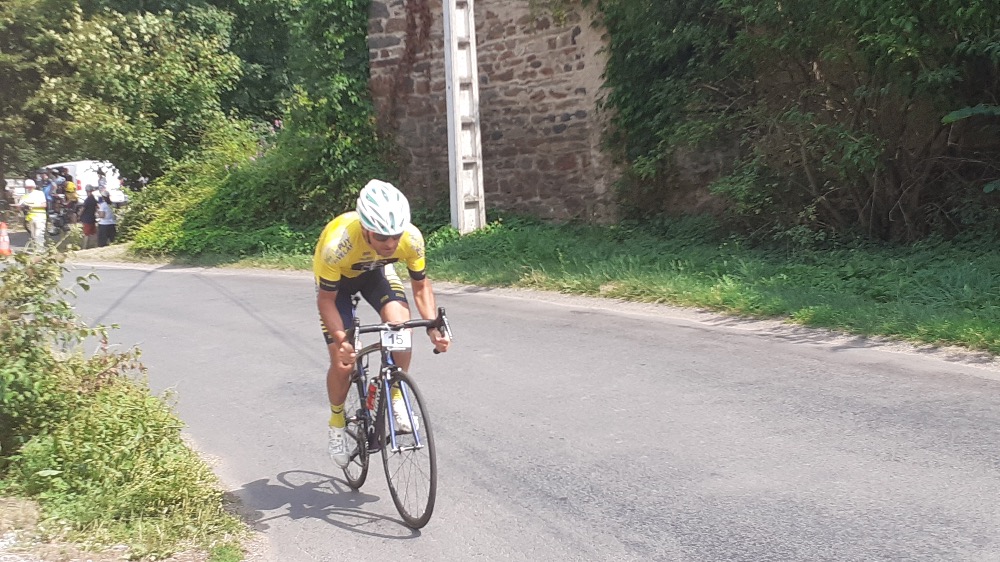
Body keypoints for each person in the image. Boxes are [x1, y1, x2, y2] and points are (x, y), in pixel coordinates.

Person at [313, 179, 450, 468]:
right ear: (365, 229)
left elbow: (421, 287)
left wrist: (432, 326)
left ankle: (396, 394)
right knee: (343, 362)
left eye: (395, 236)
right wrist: (341, 340)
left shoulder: (411, 238)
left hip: (376, 275)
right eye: (382, 237)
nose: (390, 243)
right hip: (338, 287)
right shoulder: (338, 244)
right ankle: (337, 422)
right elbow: (326, 300)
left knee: (400, 327)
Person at [16, 179, 47, 250]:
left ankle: (40, 250)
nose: (29, 188)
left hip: (40, 216)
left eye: (30, 186)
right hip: (30, 218)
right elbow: (19, 207)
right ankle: (36, 249)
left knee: (39, 234)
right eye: (28, 186)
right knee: (33, 236)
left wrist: (32, 206)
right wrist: (20, 207)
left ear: (34, 186)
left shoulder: (39, 193)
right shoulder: (25, 196)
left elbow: (44, 205)